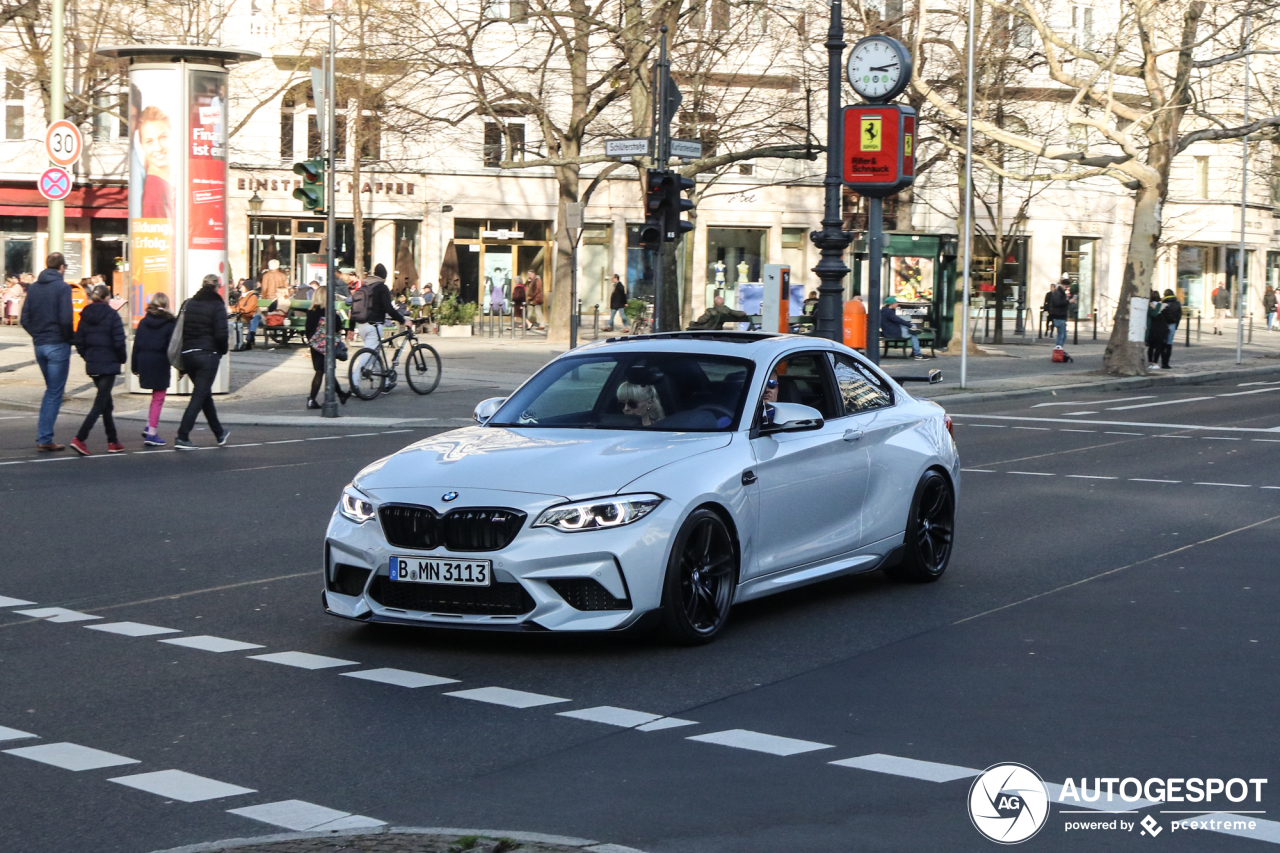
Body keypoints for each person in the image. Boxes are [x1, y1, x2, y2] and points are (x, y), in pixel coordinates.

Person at [21, 253, 74, 452]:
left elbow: (24, 318)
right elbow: (66, 319)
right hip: (57, 344)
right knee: (54, 392)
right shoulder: (63, 288)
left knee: (50, 390)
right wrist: (68, 339)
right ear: (61, 267)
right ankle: (45, 438)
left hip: (40, 345)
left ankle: (44, 435)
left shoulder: (33, 288)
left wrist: (37, 335)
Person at [69, 284, 127, 456]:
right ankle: (80, 438)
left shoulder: (85, 315)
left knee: (106, 403)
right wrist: (121, 359)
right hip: (108, 364)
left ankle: (113, 440)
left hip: (93, 363)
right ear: (107, 298)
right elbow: (119, 341)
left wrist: (88, 356)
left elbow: (78, 341)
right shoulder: (112, 315)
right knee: (100, 403)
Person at [174, 274, 230, 450]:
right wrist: (221, 350)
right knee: (199, 396)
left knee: (204, 395)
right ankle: (182, 435)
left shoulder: (189, 303)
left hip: (188, 353)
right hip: (207, 354)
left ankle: (219, 432)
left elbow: (179, 329)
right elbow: (222, 333)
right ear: (217, 287)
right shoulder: (217, 305)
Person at [132, 292, 177, 446]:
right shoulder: (170, 323)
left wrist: (134, 366)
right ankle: (151, 432)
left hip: (144, 360)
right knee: (158, 397)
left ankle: (148, 425)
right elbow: (172, 347)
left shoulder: (144, 321)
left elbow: (137, 344)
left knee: (154, 397)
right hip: (160, 361)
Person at [351, 267, 405, 391]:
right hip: (374, 326)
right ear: (384, 277)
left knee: (375, 353)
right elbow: (389, 309)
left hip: (361, 325)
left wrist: (350, 327)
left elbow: (355, 307)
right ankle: (355, 384)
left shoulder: (364, 286)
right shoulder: (382, 287)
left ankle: (384, 383)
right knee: (368, 356)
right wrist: (403, 320)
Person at [305, 286, 350, 409]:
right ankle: (336, 395)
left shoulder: (311, 311)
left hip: (315, 345)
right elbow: (338, 326)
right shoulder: (329, 311)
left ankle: (314, 399)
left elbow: (308, 329)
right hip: (328, 345)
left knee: (320, 371)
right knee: (327, 371)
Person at [137, 106, 174, 219]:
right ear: (142, 145)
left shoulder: (166, 185)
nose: (158, 148)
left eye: (163, 137)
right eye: (149, 142)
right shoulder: (154, 190)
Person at [229, 280, 260, 351]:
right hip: (243, 316)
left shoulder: (253, 297)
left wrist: (234, 310)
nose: (240, 288)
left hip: (249, 316)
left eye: (242, 286)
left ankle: (248, 340)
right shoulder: (242, 297)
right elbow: (237, 306)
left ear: (247, 287)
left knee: (255, 318)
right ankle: (241, 341)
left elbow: (248, 309)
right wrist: (230, 308)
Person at [1047, 276, 1074, 348]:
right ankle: (1058, 349)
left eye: (1068, 287)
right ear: (1062, 284)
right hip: (1058, 316)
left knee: (1063, 335)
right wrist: (1068, 301)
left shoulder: (1061, 292)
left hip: (1060, 316)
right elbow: (1058, 303)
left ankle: (1059, 349)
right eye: (1066, 286)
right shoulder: (1058, 292)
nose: (1066, 288)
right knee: (1061, 335)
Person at [1158, 288, 1181, 370]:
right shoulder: (1177, 303)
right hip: (1172, 324)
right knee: (1169, 344)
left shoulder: (1162, 303)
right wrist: (1176, 326)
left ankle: (1163, 361)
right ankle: (1166, 363)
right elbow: (1179, 316)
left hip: (1163, 325)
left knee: (1162, 344)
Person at [1145, 289, 1168, 369]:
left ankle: (1151, 362)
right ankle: (1155, 363)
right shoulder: (1163, 306)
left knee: (1151, 347)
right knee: (1158, 347)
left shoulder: (1148, 306)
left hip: (1151, 329)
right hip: (1160, 329)